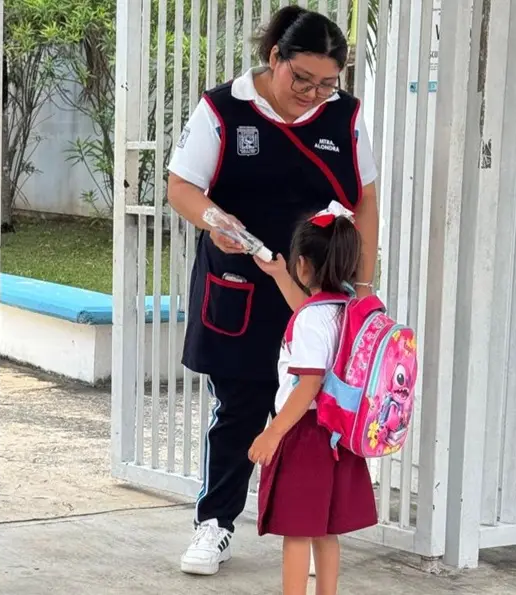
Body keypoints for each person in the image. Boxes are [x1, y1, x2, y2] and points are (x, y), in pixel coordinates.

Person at [167, 5, 379, 576]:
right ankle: (214, 524)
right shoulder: (223, 108)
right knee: (239, 407)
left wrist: (361, 290)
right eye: (301, 79)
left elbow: (365, 201)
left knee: (320, 416)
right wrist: (217, 222)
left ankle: (310, 533)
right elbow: (182, 187)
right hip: (242, 282)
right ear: (274, 59)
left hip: (320, 296)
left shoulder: (346, 118)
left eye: (327, 83)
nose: (313, 94)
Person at [248, 204, 378, 595]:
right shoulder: (347, 309)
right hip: (339, 432)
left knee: (297, 532)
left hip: (305, 434)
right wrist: (277, 276)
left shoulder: (311, 319)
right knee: (326, 530)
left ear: (302, 265)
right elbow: (305, 309)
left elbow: (308, 384)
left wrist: (272, 433)